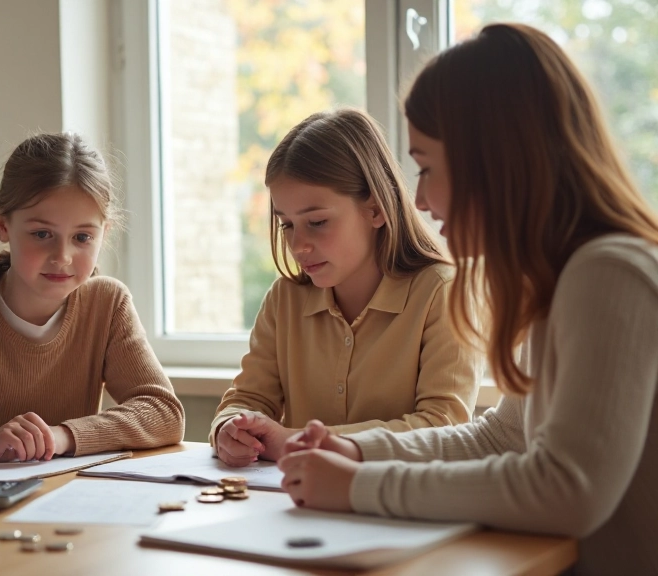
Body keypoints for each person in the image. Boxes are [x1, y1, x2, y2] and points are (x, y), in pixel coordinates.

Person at [278, 23, 658, 575]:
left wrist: (361, 486)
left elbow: (567, 489)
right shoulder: (558, 281)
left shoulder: (608, 274)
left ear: (495, 158)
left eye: (428, 167)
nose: (422, 200)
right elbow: (502, 436)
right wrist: (361, 452)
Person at [0, 132, 185, 461]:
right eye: (42, 234)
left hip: (65, 496)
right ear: (2, 224)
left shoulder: (108, 303)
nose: (63, 256)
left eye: (82, 237)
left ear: (104, 234)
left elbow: (164, 413)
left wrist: (63, 436)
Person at [212, 108, 480, 467]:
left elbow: (442, 426)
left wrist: (298, 440)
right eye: (286, 225)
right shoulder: (284, 299)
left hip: (401, 508)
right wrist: (230, 429)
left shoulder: (442, 294)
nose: (298, 246)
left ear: (375, 210)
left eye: (317, 222)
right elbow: (246, 398)